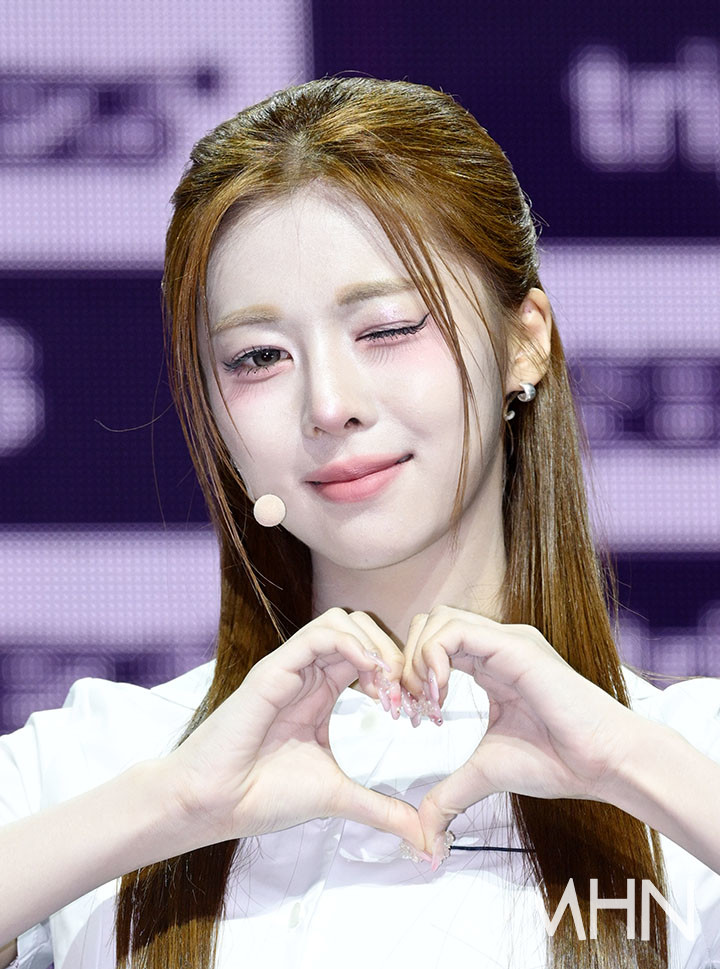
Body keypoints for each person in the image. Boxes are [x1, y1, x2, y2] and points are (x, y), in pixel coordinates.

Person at [1, 75, 720, 969]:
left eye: (385, 329)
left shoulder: (688, 759)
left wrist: (627, 765)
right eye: (258, 357)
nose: (328, 404)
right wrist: (176, 805)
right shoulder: (98, 762)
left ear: (523, 340)